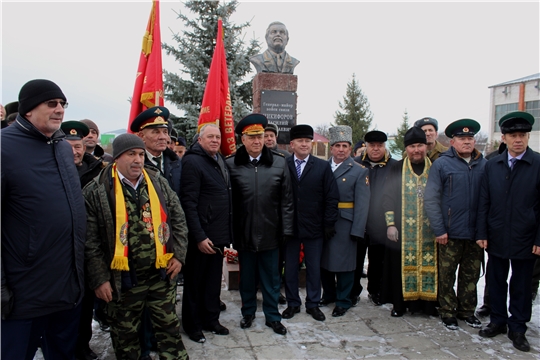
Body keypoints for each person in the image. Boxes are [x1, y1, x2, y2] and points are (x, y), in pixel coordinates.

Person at [1, 79, 86, 359]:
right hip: (24, 293)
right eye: (51, 103)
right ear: (28, 110)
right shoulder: (4, 149)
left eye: (63, 104)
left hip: (66, 287)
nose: (59, 109)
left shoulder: (62, 147)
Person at [83, 133, 189, 359]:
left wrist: (178, 255)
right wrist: (100, 279)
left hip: (160, 274)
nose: (138, 160)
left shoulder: (157, 181)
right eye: (131, 154)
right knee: (126, 337)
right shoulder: (97, 189)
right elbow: (90, 242)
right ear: (117, 158)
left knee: (169, 331)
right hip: (123, 281)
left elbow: (178, 219)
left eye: (141, 154)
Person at [476, 111, 540, 352]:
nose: (518, 140)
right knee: (496, 280)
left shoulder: (537, 164)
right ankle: (498, 320)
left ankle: (518, 327)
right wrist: (482, 233)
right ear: (503, 138)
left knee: (521, 284)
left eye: (522, 135)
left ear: (527, 137)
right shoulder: (492, 165)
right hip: (497, 234)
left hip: (526, 237)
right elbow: (484, 202)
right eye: (513, 135)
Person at [226, 114, 294, 336]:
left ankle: (272, 316)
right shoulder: (230, 165)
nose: (257, 141)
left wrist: (286, 229)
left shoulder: (279, 163)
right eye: (252, 137)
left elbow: (287, 200)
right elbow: (228, 203)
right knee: (247, 277)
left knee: (272, 278)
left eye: (260, 137)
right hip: (243, 233)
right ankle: (248, 312)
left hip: (271, 232)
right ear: (242, 139)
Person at [424, 119, 486, 330]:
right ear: (452, 142)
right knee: (446, 275)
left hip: (475, 233)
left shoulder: (483, 164)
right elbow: (431, 198)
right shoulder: (442, 164)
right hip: (449, 233)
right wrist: (439, 229)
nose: (466, 142)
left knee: (471, 276)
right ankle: (448, 311)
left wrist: (484, 231)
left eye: (470, 138)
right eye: (462, 138)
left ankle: (467, 311)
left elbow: (489, 200)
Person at [181, 123, 232, 343]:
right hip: (202, 236)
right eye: (210, 137)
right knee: (195, 283)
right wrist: (199, 236)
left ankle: (211, 319)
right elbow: (189, 203)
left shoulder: (218, 159)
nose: (215, 140)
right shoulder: (192, 161)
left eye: (217, 137)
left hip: (218, 233)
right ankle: (193, 326)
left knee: (213, 282)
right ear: (199, 140)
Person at [60, 120, 107, 360]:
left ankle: (82, 346)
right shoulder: (52, 170)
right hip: (61, 250)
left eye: (78, 146)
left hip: (90, 247)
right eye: (69, 146)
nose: (75, 151)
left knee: (86, 302)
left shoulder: (97, 170)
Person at [282, 124, 339, 322]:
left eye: (307, 141)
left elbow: (332, 197)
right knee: (290, 267)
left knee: (314, 267)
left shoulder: (322, 166)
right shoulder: (284, 165)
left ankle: (313, 304)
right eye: (300, 141)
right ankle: (293, 303)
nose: (304, 144)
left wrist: (328, 223)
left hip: (315, 226)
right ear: (292, 144)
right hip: (290, 227)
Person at [380, 126, 438, 317]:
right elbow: (387, 196)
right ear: (406, 149)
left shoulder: (435, 167)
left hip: (430, 230)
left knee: (429, 266)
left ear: (426, 146)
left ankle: (427, 305)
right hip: (403, 229)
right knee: (399, 267)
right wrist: (390, 224)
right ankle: (399, 305)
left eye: (420, 145)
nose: (416, 150)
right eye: (412, 146)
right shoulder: (398, 168)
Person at [320, 126, 370, 317]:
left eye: (345, 146)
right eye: (337, 145)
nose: (341, 149)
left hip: (345, 223)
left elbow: (363, 203)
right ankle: (329, 294)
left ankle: (343, 300)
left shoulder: (359, 171)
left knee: (345, 265)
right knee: (323, 261)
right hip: (324, 222)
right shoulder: (322, 167)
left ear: (350, 149)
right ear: (331, 148)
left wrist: (358, 230)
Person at [351, 130, 396, 307]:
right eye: (372, 146)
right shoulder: (355, 164)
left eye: (380, 146)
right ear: (366, 147)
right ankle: (353, 292)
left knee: (377, 260)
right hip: (359, 220)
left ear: (385, 147)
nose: (376, 149)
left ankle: (375, 290)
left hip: (381, 221)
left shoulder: (394, 166)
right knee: (356, 260)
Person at [131, 106, 182, 196]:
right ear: (141, 136)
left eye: (165, 132)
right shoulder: (135, 164)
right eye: (156, 132)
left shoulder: (176, 162)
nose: (162, 137)